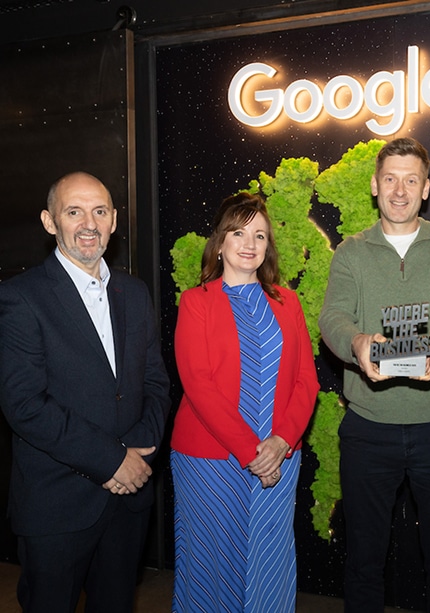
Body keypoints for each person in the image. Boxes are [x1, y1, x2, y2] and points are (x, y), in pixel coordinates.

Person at [318, 137, 430, 613]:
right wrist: (357, 343)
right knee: (364, 562)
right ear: (374, 185)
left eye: (411, 180)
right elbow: (332, 319)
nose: (399, 190)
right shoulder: (350, 253)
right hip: (368, 429)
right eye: (390, 178)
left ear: (426, 189)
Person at [0, 172, 171, 613]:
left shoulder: (135, 293)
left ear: (114, 220)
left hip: (128, 502)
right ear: (49, 221)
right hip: (57, 505)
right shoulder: (20, 298)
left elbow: (155, 382)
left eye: (99, 211)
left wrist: (138, 453)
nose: (88, 223)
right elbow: (23, 405)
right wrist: (113, 459)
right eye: (74, 211)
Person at [171, 191, 319, 612]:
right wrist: (253, 452)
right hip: (209, 463)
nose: (249, 243)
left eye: (259, 234)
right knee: (211, 568)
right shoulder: (196, 302)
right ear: (219, 242)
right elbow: (198, 385)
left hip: (281, 459)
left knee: (270, 564)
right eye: (238, 232)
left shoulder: (287, 302)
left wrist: (280, 444)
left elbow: (306, 381)